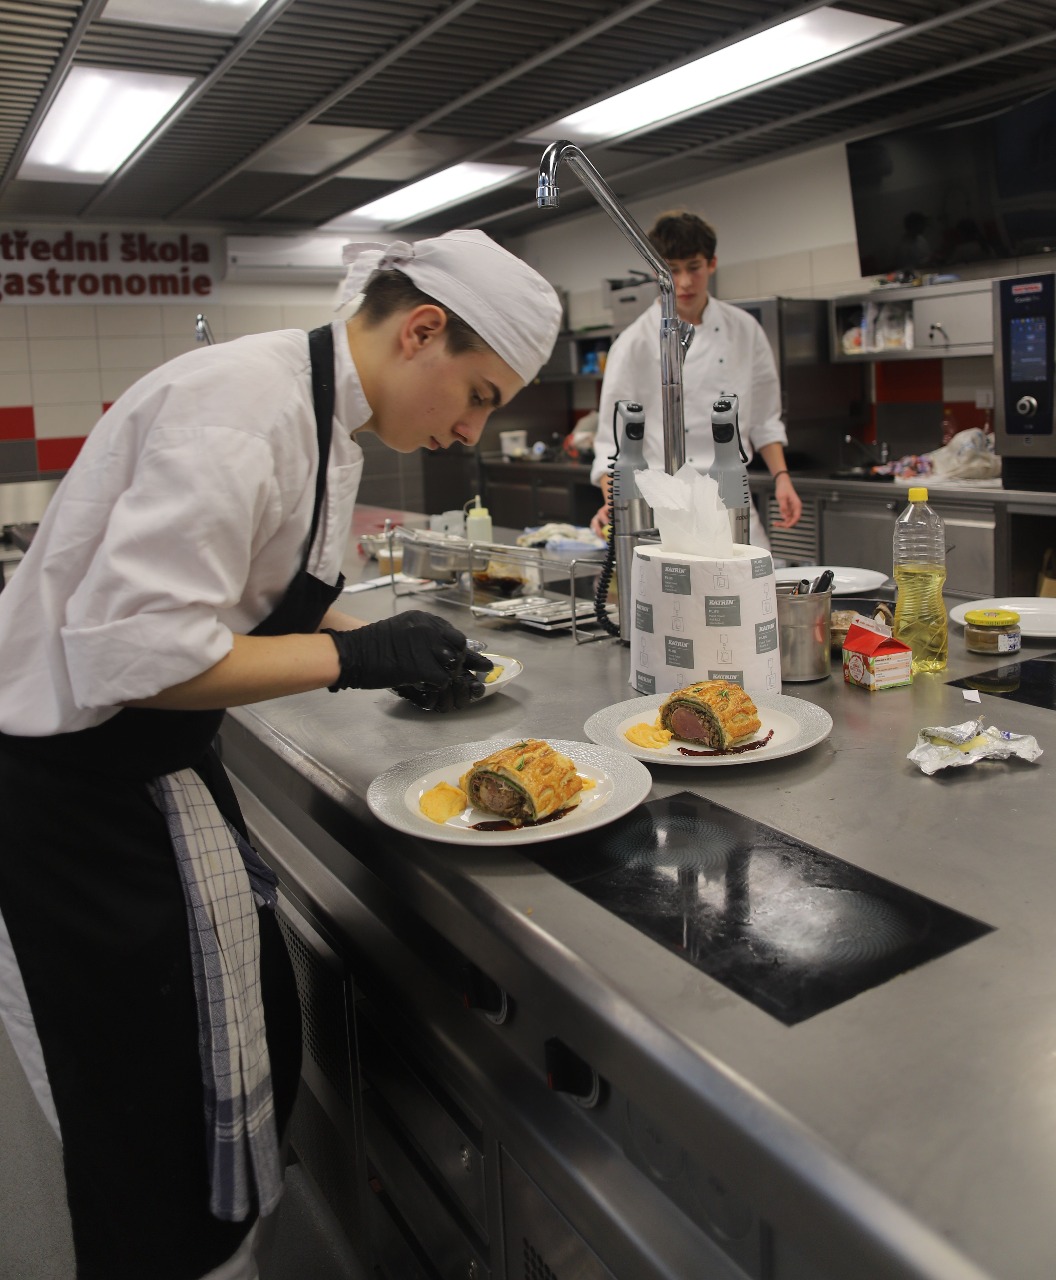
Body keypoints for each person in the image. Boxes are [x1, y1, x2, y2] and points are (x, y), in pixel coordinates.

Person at [0, 229, 561, 1280]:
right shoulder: (243, 408)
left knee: (244, 1030)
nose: (469, 429)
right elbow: (134, 657)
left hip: (151, 772)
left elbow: (248, 593)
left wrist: (383, 633)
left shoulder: (318, 417)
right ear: (421, 330)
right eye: (479, 395)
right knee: (150, 1122)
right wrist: (353, 658)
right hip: (83, 807)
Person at [589, 210, 802, 548]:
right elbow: (609, 442)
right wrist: (615, 502)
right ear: (656, 271)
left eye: (693, 267)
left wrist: (782, 478)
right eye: (673, 269)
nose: (685, 282)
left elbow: (765, 420)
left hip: (729, 498)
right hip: (662, 504)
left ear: (712, 264)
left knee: (751, 578)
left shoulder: (744, 330)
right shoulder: (633, 342)